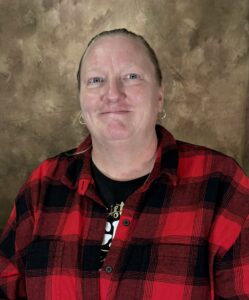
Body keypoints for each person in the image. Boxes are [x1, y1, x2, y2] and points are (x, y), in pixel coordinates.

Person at [0, 28, 249, 300]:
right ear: (81, 99)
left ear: (159, 95)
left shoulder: (221, 185)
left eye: (131, 77)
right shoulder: (43, 185)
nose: (113, 93)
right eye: (96, 80)